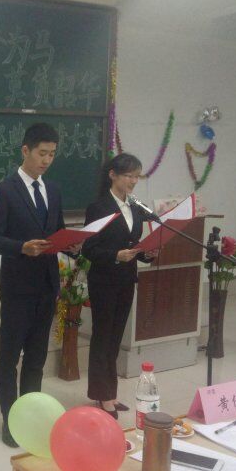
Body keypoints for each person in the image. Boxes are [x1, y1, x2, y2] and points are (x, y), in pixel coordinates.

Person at [0, 123, 74, 447]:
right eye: (42, 153)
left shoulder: (54, 190)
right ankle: (10, 420)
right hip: (17, 287)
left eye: (52, 154)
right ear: (25, 150)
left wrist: (72, 244)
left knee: (37, 357)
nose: (47, 160)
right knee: (10, 357)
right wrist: (21, 247)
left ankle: (31, 414)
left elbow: (58, 230)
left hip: (47, 285)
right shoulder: (5, 190)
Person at [81, 153, 154, 419]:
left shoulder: (135, 207)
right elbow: (89, 249)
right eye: (129, 176)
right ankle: (102, 395)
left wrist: (147, 254)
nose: (133, 181)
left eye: (137, 176)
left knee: (115, 338)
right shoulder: (98, 207)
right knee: (102, 337)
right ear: (112, 175)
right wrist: (115, 255)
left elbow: (134, 245)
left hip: (126, 279)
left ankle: (109, 393)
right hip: (103, 280)